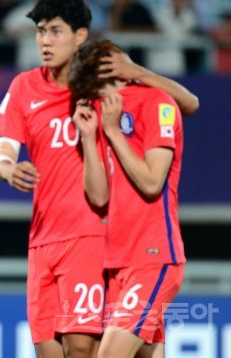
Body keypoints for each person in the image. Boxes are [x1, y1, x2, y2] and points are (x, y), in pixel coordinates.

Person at [0, 0, 198, 357]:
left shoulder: (99, 89)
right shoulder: (24, 87)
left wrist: (137, 71)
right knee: (50, 349)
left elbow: (187, 103)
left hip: (93, 234)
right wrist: (7, 168)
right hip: (42, 237)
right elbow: (1, 154)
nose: (45, 41)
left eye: (55, 31)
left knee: (85, 348)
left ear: (80, 35)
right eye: (40, 32)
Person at [69, 39, 186, 358]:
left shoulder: (157, 103)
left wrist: (115, 133)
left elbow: (151, 182)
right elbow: (98, 196)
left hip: (153, 254)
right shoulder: (98, 114)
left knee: (108, 355)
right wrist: (90, 139)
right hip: (117, 260)